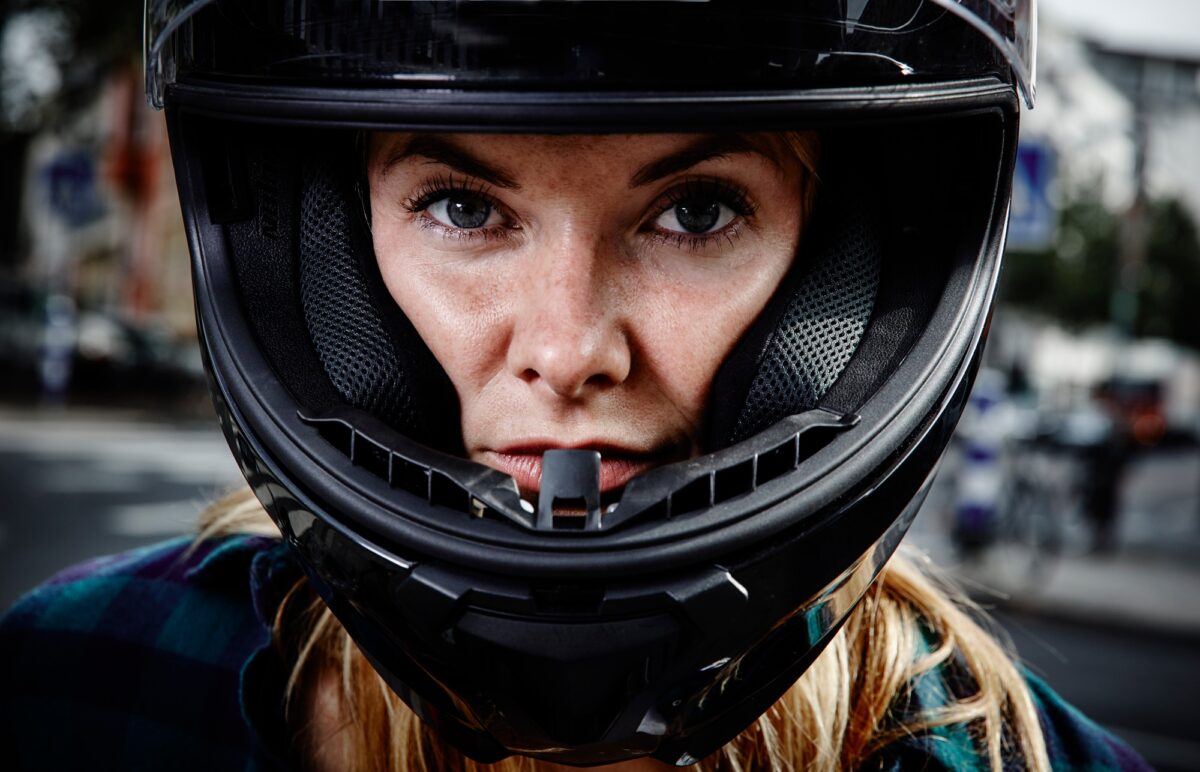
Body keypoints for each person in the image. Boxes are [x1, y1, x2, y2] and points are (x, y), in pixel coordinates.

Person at [1, 1, 1153, 770]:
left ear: (852, 268)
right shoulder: (78, 688)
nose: (568, 348)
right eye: (463, 207)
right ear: (321, 251)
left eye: (696, 211)